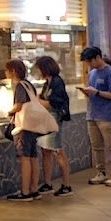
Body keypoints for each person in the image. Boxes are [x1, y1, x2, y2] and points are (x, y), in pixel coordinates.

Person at [79, 46, 111, 186]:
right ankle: (100, 172)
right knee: (96, 146)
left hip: (107, 115)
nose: (89, 65)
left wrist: (97, 92)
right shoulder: (92, 73)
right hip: (92, 114)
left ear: (97, 57)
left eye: (90, 61)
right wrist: (87, 92)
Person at [33, 55, 72, 196]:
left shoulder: (57, 82)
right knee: (46, 150)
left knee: (57, 150)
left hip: (54, 120)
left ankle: (66, 185)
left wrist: (36, 100)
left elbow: (52, 103)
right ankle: (48, 183)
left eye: (39, 69)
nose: (37, 72)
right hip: (47, 120)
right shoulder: (47, 83)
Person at [5, 59, 40, 201]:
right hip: (32, 125)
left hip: (23, 126)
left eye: (7, 70)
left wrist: (8, 112)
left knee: (25, 158)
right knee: (33, 157)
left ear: (13, 71)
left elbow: (19, 106)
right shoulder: (29, 84)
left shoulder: (20, 86)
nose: (5, 73)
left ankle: (25, 192)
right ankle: (34, 189)